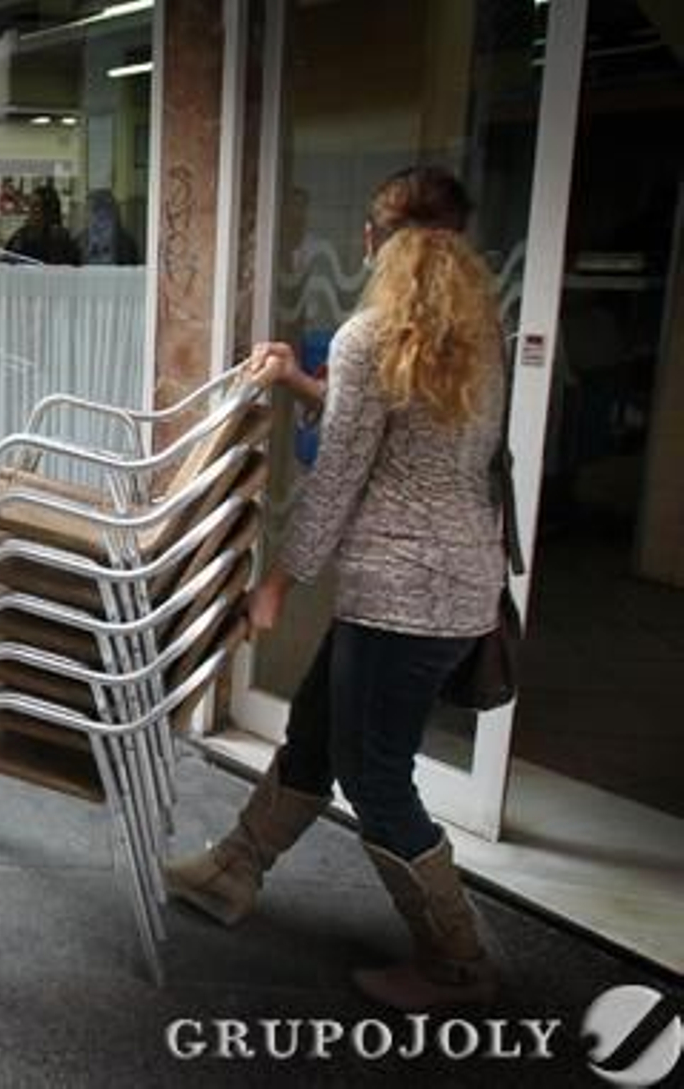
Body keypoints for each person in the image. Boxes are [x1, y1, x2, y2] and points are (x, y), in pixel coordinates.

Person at [163, 167, 508, 1011]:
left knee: (376, 774)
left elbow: (341, 476)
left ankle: (455, 957)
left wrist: (277, 580)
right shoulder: (474, 337)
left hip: (398, 598)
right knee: (320, 729)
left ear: (372, 240)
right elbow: (399, 436)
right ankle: (233, 870)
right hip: (463, 589)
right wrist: (303, 383)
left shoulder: (368, 338)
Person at [6, 184, 80, 266]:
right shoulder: (19, 237)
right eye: (31, 205)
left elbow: (71, 267)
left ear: (49, 210)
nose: (33, 211)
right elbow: (7, 262)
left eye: (38, 206)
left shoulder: (61, 238)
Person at [75, 189, 140, 266]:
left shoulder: (127, 244)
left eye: (107, 210)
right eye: (95, 210)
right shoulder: (78, 243)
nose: (101, 215)